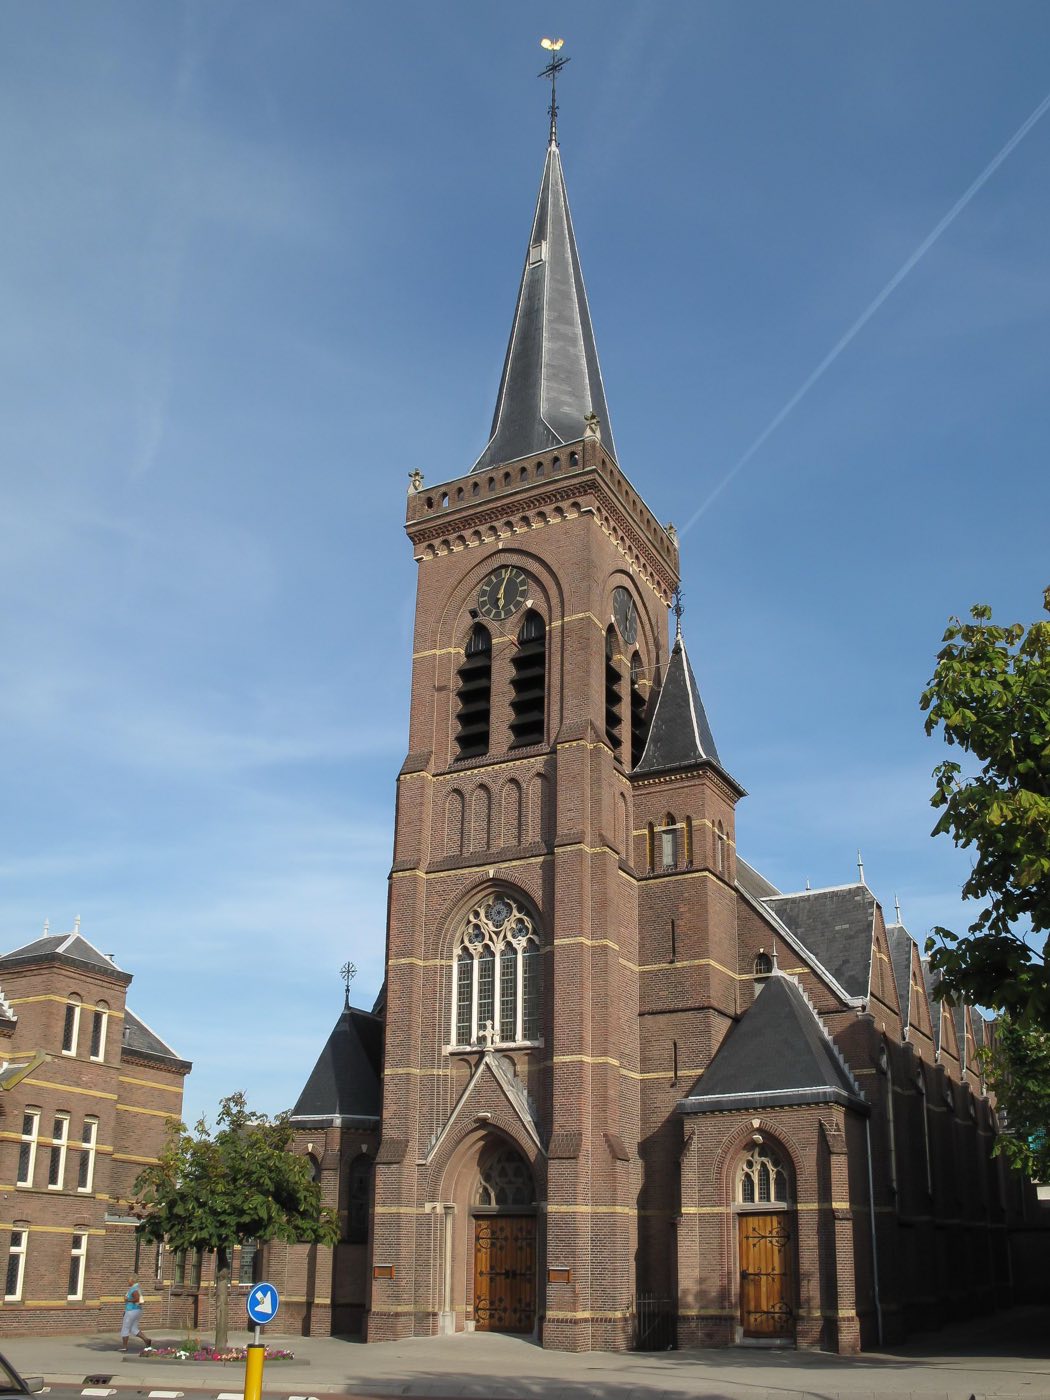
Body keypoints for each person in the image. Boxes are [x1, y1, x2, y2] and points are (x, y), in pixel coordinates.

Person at [120, 1274, 153, 1351]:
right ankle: (146, 1340)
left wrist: (127, 1300)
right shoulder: (137, 1288)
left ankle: (124, 1347)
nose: (127, 1281)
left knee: (125, 1328)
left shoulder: (134, 1289)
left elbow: (137, 1299)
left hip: (131, 1310)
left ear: (132, 1280)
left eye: (128, 1280)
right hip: (137, 1310)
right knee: (133, 1328)